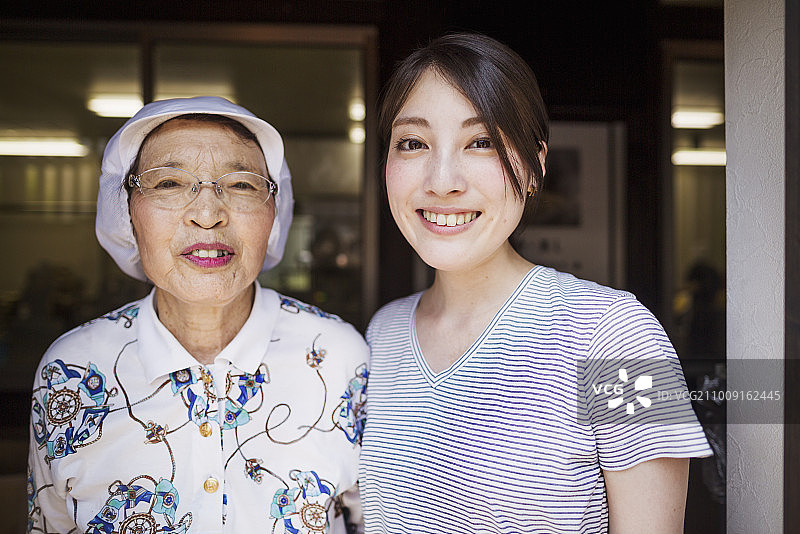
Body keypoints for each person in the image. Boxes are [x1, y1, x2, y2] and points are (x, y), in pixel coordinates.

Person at [359, 34, 711, 533]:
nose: (441, 180)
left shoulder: (618, 335)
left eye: (480, 142)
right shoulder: (384, 333)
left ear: (534, 166)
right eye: (413, 143)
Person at [27, 96, 368, 534]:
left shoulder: (339, 358)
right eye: (168, 182)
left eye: (242, 184)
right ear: (128, 212)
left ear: (275, 212)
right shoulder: (69, 372)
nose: (208, 215)